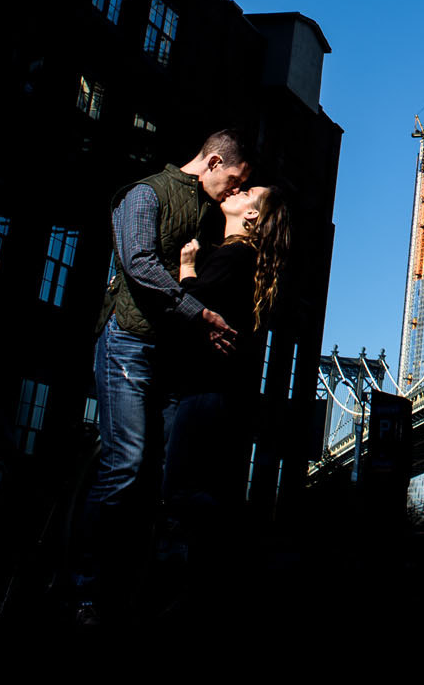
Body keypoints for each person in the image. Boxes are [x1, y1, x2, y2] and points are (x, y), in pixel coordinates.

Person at [75, 129, 253, 624]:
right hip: (128, 341)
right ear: (214, 161)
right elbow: (138, 264)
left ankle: (126, 587)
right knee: (126, 463)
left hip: (167, 356)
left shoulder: (205, 211)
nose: (234, 191)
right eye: (234, 180)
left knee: (155, 476)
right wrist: (198, 314)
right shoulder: (145, 193)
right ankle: (81, 588)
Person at [156, 182, 293, 618]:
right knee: (193, 491)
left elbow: (192, 308)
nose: (236, 191)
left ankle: (232, 558)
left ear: (252, 217)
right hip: (221, 398)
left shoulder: (233, 256)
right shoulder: (248, 261)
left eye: (248, 192)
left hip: (203, 392)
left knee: (177, 492)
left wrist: (186, 267)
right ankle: (213, 578)